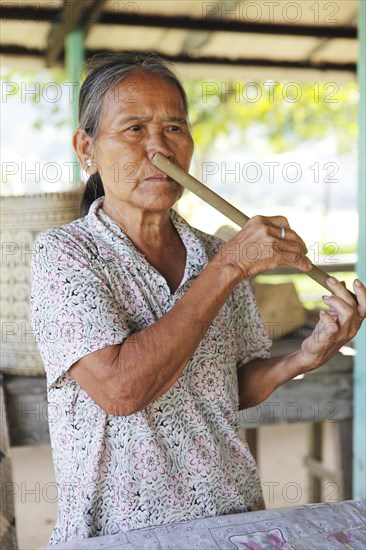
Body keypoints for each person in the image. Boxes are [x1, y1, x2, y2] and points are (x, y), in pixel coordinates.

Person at [30, 52, 365, 545]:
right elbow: (121, 390)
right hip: (122, 532)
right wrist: (228, 268)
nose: (158, 149)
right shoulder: (64, 255)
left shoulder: (210, 251)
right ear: (87, 150)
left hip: (231, 516)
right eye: (134, 129)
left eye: (174, 128)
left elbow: (229, 388)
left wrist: (303, 357)